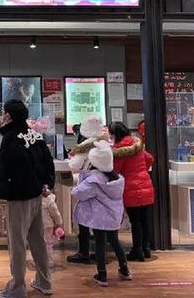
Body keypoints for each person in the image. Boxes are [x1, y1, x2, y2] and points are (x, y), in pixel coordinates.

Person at [0, 100, 55, 298]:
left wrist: (0, 196)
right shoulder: (35, 135)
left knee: (17, 243)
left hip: (18, 197)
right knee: (38, 241)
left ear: (9, 116)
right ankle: (44, 281)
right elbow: (48, 162)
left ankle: (17, 287)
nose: (2, 117)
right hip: (36, 195)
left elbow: (7, 170)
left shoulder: (10, 138)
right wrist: (46, 183)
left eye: (4, 113)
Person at [71, 137, 132, 287]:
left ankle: (102, 274)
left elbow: (77, 193)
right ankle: (125, 270)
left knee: (100, 244)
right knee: (115, 241)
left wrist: (82, 177)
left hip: (99, 218)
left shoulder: (94, 180)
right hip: (114, 216)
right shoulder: (116, 178)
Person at [110, 122, 155, 262]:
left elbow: (116, 170)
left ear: (116, 135)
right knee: (144, 220)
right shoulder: (137, 145)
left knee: (135, 222)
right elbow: (150, 159)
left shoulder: (120, 150)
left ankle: (137, 251)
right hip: (146, 186)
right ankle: (146, 249)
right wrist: (142, 170)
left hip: (131, 188)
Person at [66, 119, 106, 265]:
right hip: (103, 185)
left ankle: (84, 252)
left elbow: (74, 165)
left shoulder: (85, 146)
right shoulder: (104, 143)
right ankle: (101, 254)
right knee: (99, 221)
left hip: (88, 185)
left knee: (83, 219)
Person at [41, 185, 63, 268]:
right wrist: (59, 223)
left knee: (38, 243)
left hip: (37, 225)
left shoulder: (33, 200)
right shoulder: (50, 200)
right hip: (48, 225)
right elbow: (55, 213)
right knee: (48, 243)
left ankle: (39, 260)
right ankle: (48, 260)